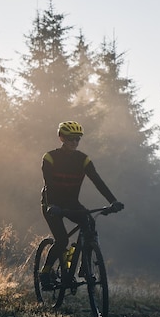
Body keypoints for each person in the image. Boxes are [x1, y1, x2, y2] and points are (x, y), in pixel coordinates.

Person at [39, 121, 124, 290]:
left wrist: (112, 201)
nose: (74, 142)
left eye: (78, 139)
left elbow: (97, 181)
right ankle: (45, 272)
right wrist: (51, 205)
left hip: (71, 203)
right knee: (62, 240)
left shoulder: (83, 160)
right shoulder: (50, 157)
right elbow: (48, 184)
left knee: (90, 224)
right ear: (61, 138)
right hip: (52, 202)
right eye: (71, 139)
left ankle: (85, 267)